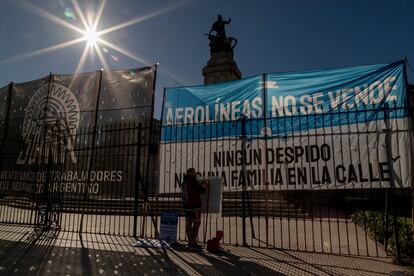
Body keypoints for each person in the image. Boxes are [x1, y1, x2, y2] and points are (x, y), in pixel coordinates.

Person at [181, 168, 206, 249]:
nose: (195, 174)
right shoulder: (194, 182)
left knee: (188, 224)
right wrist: (204, 184)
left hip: (186, 207)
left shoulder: (184, 182)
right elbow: (203, 190)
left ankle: (190, 242)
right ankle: (193, 242)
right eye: (194, 172)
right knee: (196, 224)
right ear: (192, 174)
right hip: (194, 207)